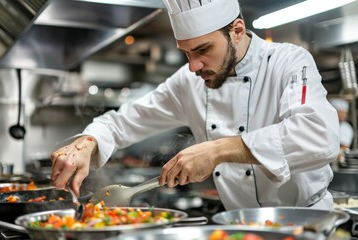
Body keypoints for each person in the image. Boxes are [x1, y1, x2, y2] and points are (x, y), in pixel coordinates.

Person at [51, 0, 340, 210]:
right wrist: (86, 144)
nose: (193, 66)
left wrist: (216, 151)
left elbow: (319, 137)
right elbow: (121, 123)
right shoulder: (188, 82)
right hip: (238, 226)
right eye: (186, 53)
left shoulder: (288, 62)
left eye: (203, 50)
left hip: (305, 223)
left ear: (237, 30)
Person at [329, 98, 354, 165]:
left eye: (344, 113)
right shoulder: (327, 125)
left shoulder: (346, 127)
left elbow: (344, 147)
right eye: (340, 113)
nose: (343, 116)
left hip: (338, 161)